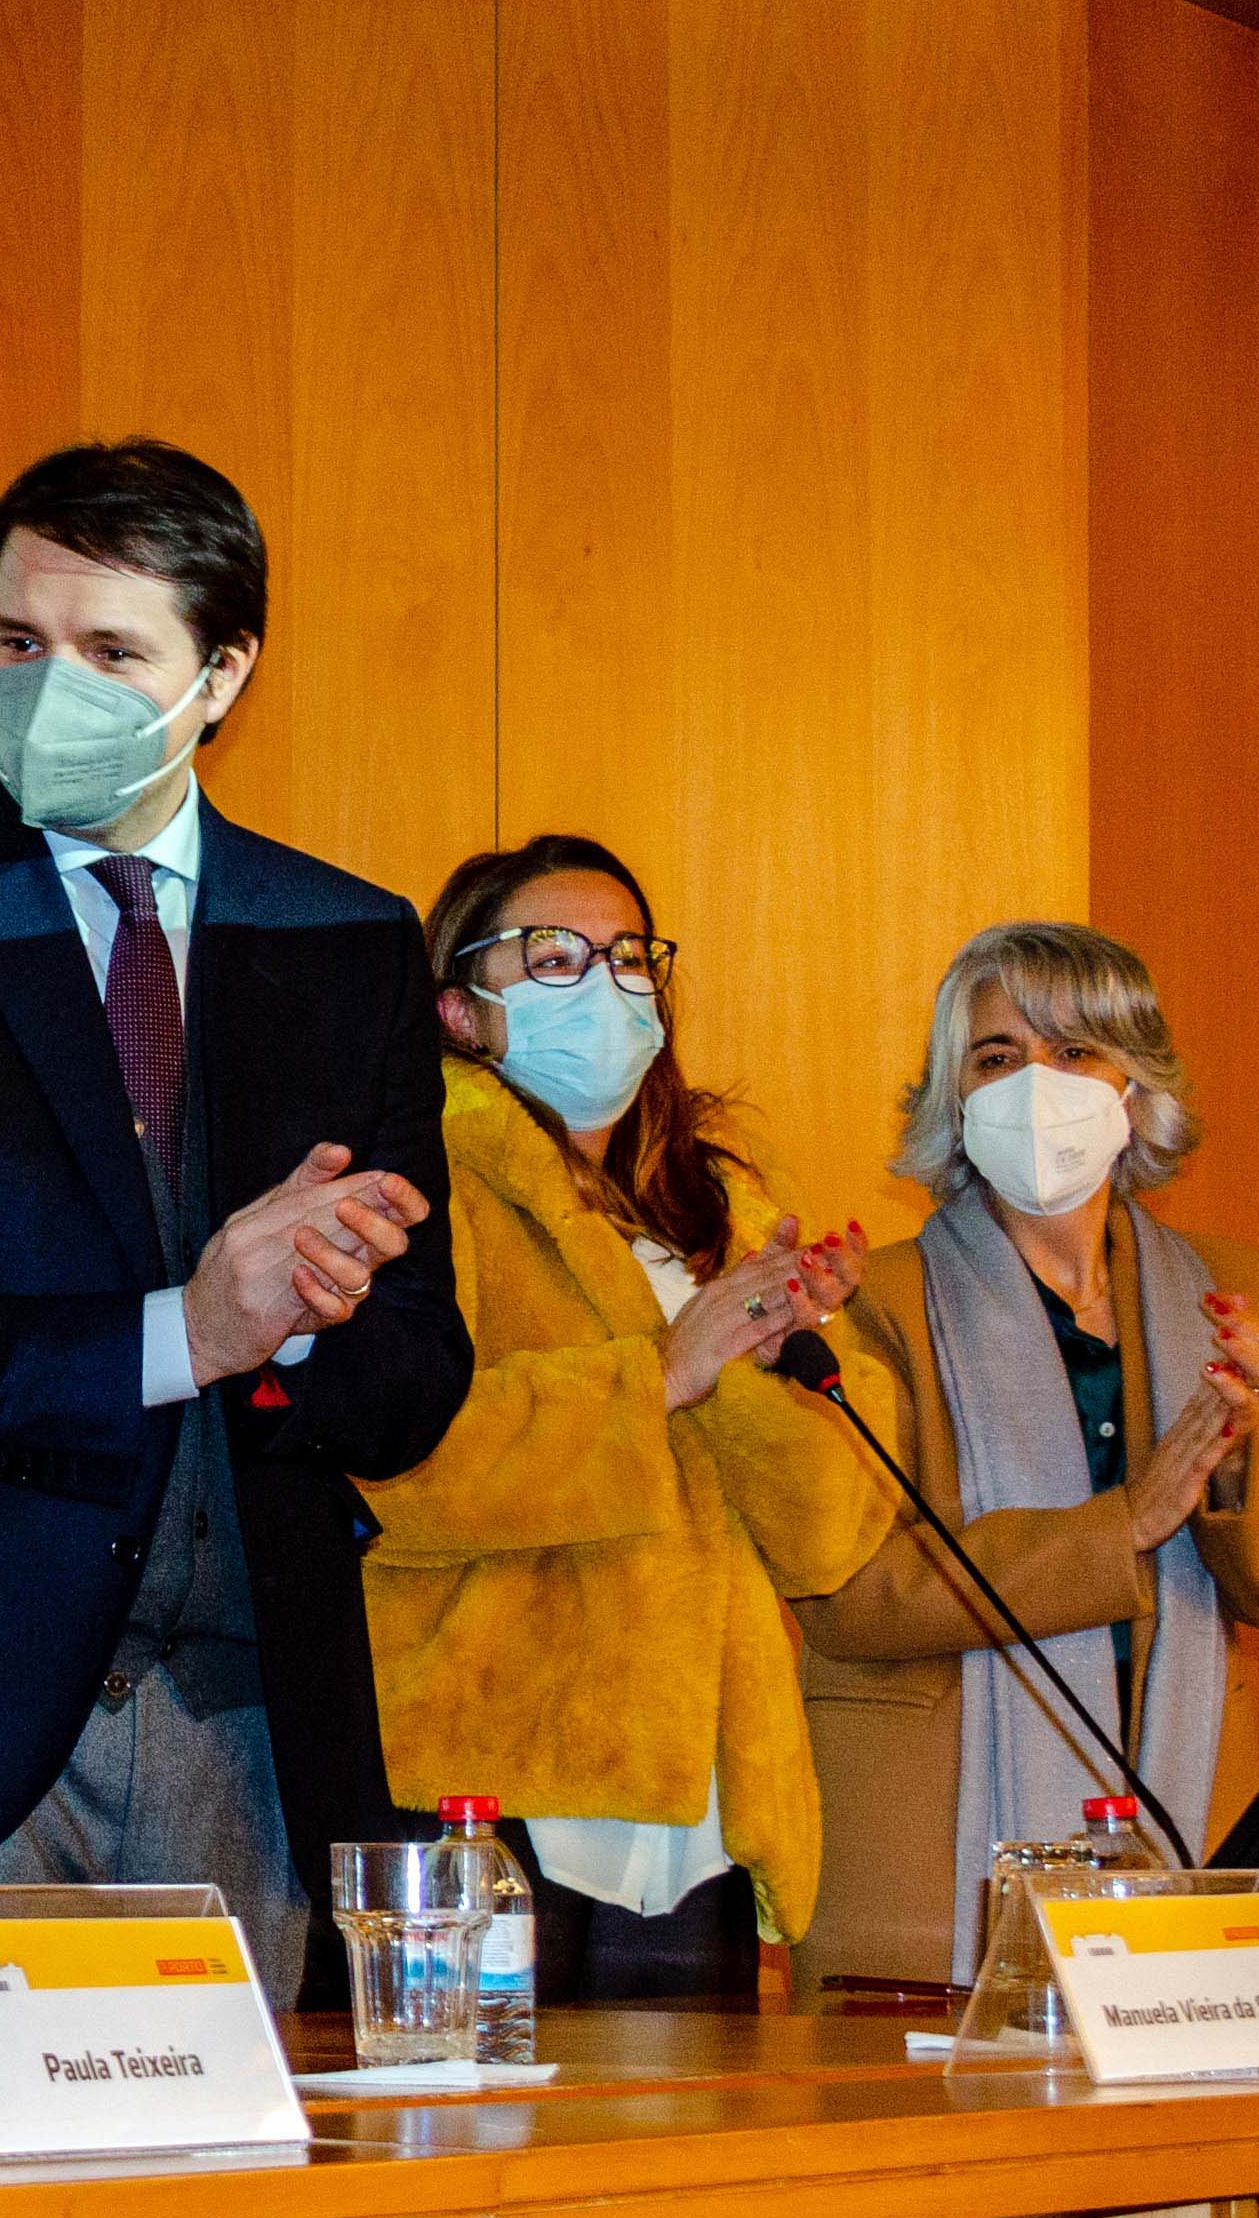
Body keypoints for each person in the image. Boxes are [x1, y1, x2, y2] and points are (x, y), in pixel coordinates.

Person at [0, 439, 470, 2012]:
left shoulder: (344, 939)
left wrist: (300, 1324)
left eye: (112, 653)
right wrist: (183, 1331)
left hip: (242, 1738)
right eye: (17, 641)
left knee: (233, 2182)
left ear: (222, 674)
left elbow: (415, 1378)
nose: (50, 688)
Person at [354, 838, 900, 2000]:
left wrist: (765, 1355)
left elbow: (824, 1542)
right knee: (483, 2115)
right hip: (494, 1784)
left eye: (629, 958)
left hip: (699, 1800)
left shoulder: (724, 1213)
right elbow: (396, 1465)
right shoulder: (412, 1188)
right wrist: (660, 1374)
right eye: (553, 957)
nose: (603, 986)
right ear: (458, 1009)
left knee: (690, 2117)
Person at [794, 922, 1259, 1990]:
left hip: (1176, 1809)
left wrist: (1241, 1460)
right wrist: (1122, 1525)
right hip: (934, 1851)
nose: (1035, 1087)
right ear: (956, 1098)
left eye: (1073, 1051)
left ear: (1133, 1087)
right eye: (996, 1057)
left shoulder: (1221, 1291)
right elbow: (846, 1595)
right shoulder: (874, 1302)